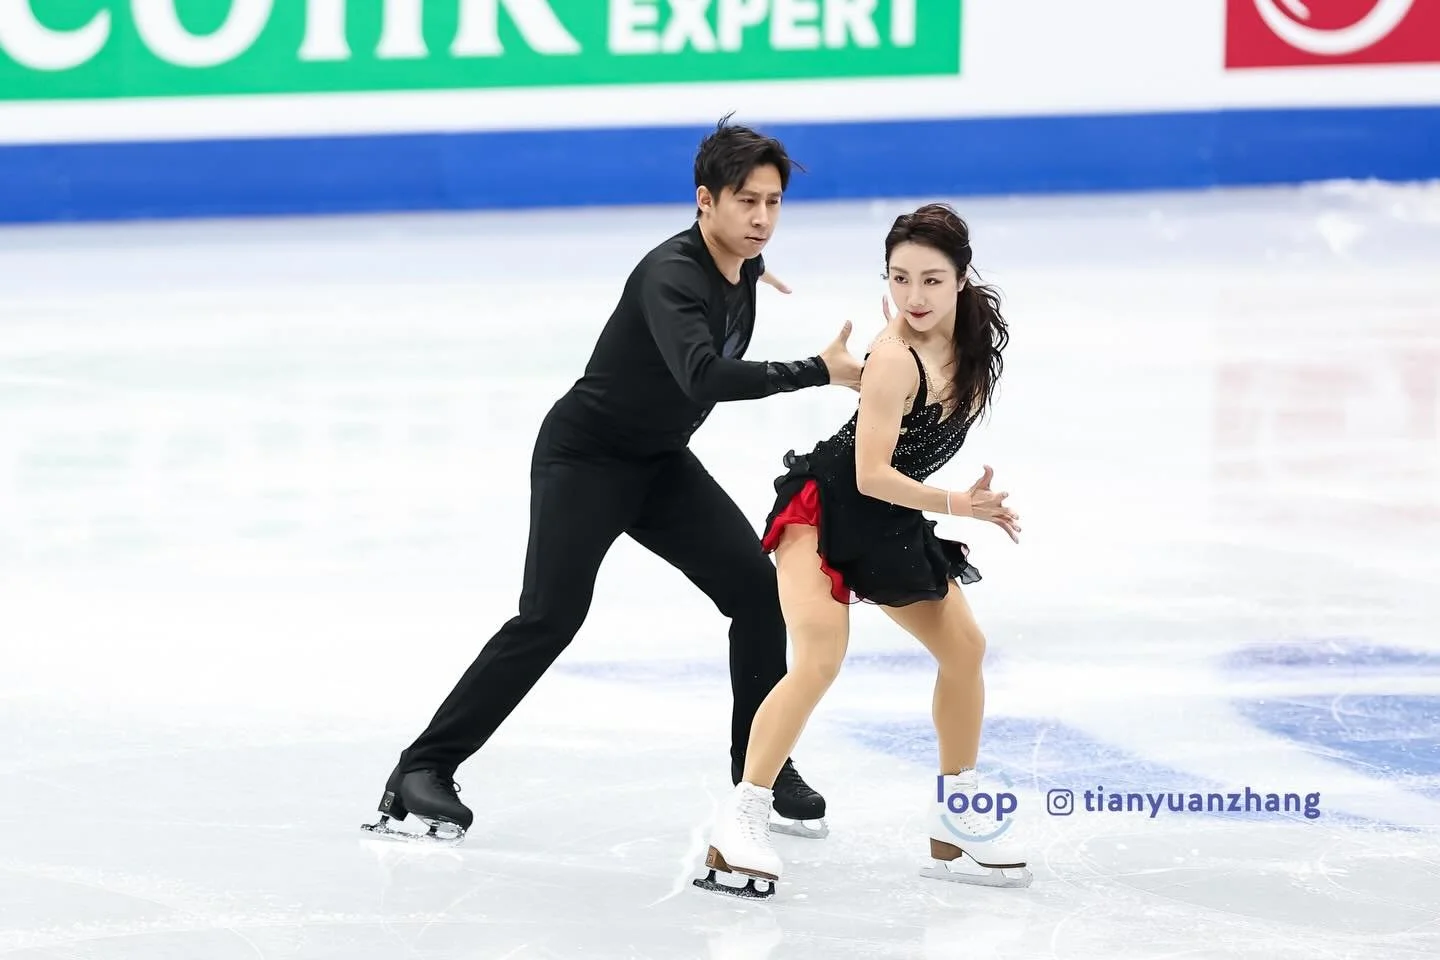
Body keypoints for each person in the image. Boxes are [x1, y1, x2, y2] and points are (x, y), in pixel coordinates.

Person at [361, 116, 864, 845]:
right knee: (550, 617)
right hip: (586, 458)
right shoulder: (672, 275)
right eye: (745, 201)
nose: (761, 218)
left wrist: (753, 270)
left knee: (758, 594)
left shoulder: (739, 265)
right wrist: (816, 371)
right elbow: (702, 373)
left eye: (773, 203)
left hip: (659, 462)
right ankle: (421, 768)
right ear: (704, 200)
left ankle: (758, 769)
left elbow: (732, 288)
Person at [692, 203, 1033, 898]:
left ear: (962, 280)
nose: (915, 297)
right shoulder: (891, 359)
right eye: (901, 278)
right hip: (823, 513)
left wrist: (943, 506)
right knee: (820, 658)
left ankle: (957, 818)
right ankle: (742, 819)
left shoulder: (971, 344)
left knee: (964, 649)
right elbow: (869, 474)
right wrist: (959, 506)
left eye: (933, 280)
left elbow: (891, 487)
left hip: (889, 521)